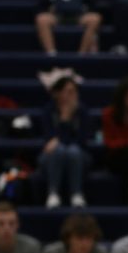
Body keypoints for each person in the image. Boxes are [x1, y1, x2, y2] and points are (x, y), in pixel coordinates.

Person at [39, 76, 92, 209]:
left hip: (79, 156)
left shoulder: (82, 111)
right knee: (60, 150)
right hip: (52, 156)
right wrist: (63, 121)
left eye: (74, 91)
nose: (73, 95)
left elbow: (82, 141)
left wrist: (64, 123)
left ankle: (76, 194)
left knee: (72, 150)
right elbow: (48, 141)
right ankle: (53, 193)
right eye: (68, 91)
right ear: (58, 93)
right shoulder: (48, 111)